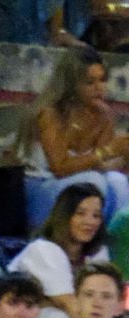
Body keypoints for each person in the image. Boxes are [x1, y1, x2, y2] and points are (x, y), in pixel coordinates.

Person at [20, 45, 129, 231]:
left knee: (117, 181)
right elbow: (59, 168)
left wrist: (123, 156)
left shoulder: (103, 114)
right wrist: (109, 150)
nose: (99, 88)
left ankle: (111, 246)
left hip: (81, 189)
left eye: (102, 80)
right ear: (72, 84)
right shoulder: (50, 113)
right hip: (41, 190)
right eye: (89, 82)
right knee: (93, 182)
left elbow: (101, 165)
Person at [11, 186, 110, 318]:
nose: (90, 221)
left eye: (96, 215)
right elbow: (70, 304)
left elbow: (104, 300)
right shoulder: (43, 249)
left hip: (62, 312)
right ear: (64, 216)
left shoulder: (98, 252)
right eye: (80, 213)